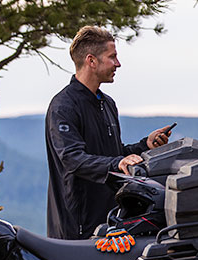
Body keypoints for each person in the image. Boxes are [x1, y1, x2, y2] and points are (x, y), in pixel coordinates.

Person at [45, 26, 172, 240]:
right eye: (112, 57)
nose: (118, 64)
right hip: (78, 229)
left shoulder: (107, 103)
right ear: (91, 61)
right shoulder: (63, 106)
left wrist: (145, 146)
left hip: (110, 221)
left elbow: (112, 152)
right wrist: (117, 164)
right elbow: (72, 159)